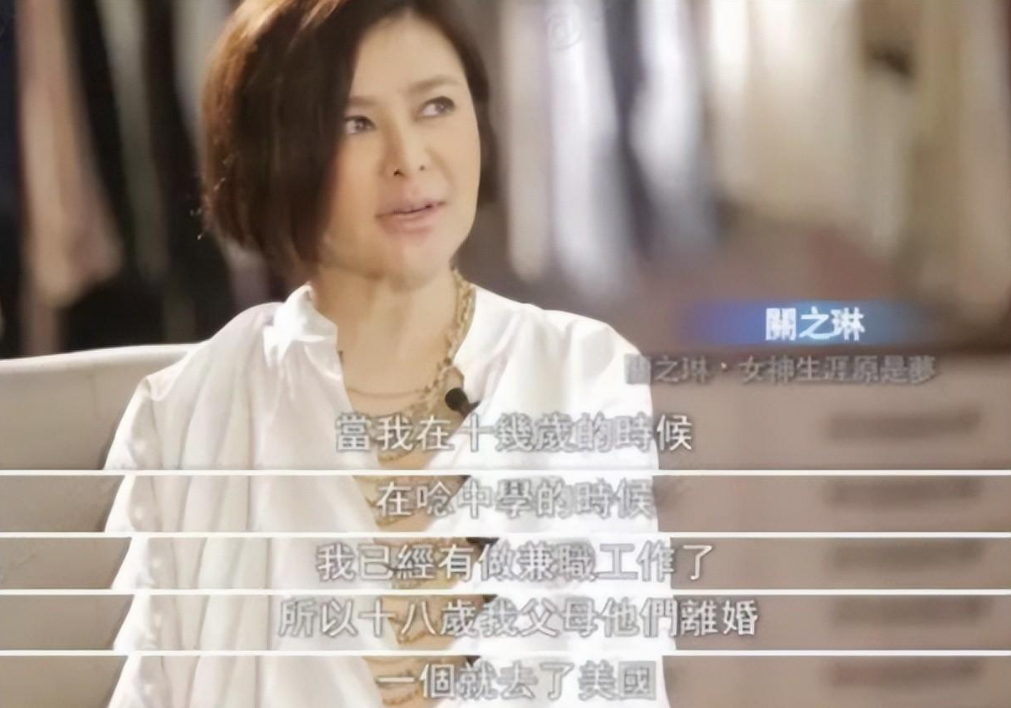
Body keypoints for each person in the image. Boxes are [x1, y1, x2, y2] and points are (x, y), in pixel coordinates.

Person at [103, 0, 670, 706]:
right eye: (355, 123)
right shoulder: (187, 413)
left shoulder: (582, 374)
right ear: (274, 154)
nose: (410, 158)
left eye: (436, 106)